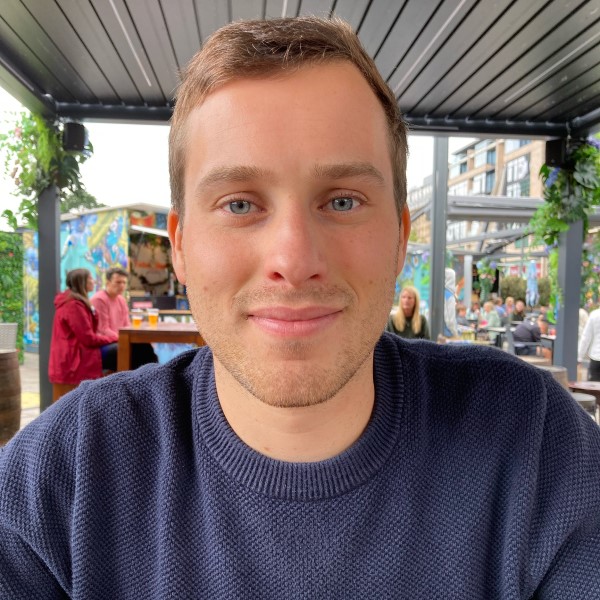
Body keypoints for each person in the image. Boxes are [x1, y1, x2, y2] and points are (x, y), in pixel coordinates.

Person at [1, 17, 599, 599]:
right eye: (239, 204)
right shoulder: (65, 474)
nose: (293, 257)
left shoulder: (535, 445)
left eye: (342, 199)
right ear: (181, 247)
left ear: (398, 237)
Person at [47, 268, 117, 401]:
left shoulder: (75, 301)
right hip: (74, 358)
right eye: (90, 278)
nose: (94, 281)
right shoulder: (74, 305)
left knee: (131, 350)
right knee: (129, 351)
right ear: (82, 282)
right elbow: (88, 339)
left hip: (75, 353)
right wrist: (113, 337)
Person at [91, 267, 157, 370]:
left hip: (119, 341)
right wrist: (124, 339)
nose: (121, 285)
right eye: (118, 282)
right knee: (138, 351)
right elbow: (103, 329)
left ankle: (151, 377)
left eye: (124, 282)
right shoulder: (99, 299)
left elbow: (127, 325)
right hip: (104, 346)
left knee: (145, 346)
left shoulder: (121, 299)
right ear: (108, 282)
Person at [579, 306, 600, 381]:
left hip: (596, 356)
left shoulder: (594, 314)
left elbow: (586, 337)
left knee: (595, 387)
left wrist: (579, 357)